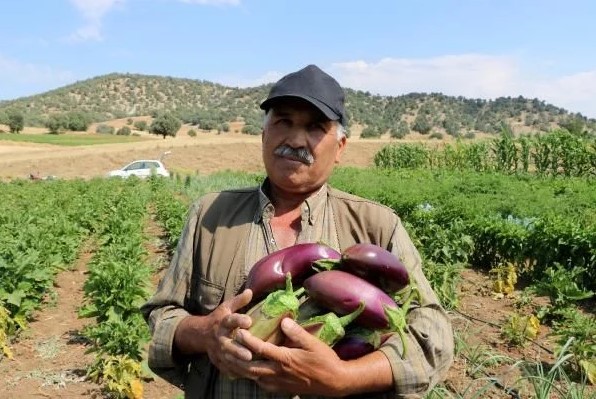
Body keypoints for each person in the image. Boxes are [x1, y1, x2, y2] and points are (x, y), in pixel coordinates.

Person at [141, 64, 454, 398]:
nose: (294, 139)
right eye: (283, 122)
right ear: (264, 135)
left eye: (315, 127)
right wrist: (204, 333)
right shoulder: (209, 215)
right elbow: (163, 316)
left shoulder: (376, 226)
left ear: (341, 147)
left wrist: (346, 378)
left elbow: (434, 337)